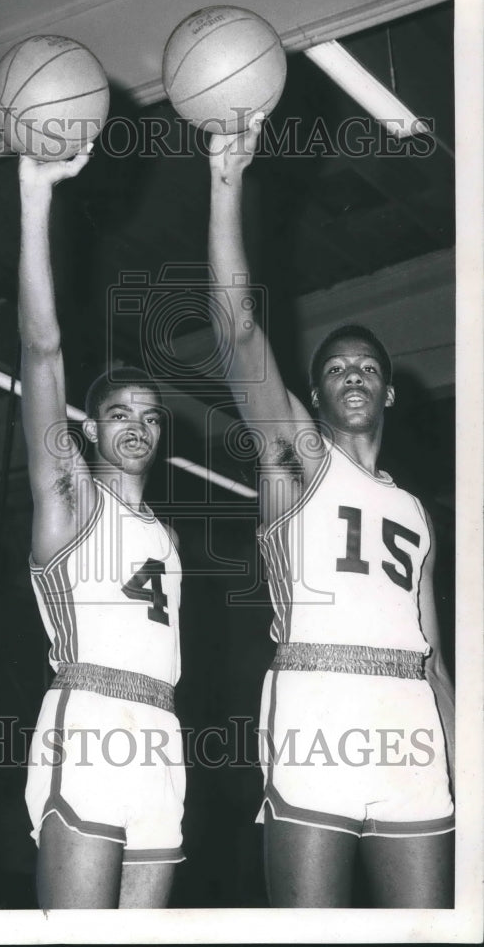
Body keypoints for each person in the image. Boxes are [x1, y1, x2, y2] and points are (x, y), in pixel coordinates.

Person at [206, 113, 455, 907]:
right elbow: (237, 328)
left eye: (366, 366)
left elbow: (433, 656)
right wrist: (225, 178)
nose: (352, 372)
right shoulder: (298, 461)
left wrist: (460, 755)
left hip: (411, 719)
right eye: (335, 367)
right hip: (315, 710)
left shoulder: (416, 512)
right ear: (313, 396)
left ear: (387, 390)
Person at [16, 149, 185, 908]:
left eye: (151, 417)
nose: (138, 427)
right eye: (119, 414)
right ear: (89, 431)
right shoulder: (70, 500)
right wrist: (35, 196)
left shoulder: (166, 536)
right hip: (85, 725)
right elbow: (42, 352)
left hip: (161, 732)